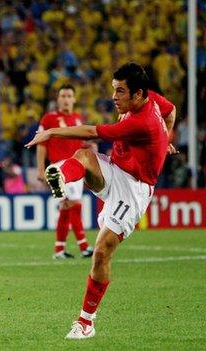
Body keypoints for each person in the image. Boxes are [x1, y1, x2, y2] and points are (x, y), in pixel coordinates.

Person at [25, 62, 177, 339]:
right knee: (84, 155)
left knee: (101, 252)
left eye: (120, 92)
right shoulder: (152, 99)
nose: (114, 97)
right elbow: (172, 110)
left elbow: (93, 131)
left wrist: (50, 132)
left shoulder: (140, 121)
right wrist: (165, 139)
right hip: (116, 169)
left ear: (138, 94)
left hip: (134, 189)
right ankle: (61, 173)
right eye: (113, 90)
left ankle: (86, 322)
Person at [36, 84, 93, 259]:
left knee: (67, 207)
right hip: (60, 167)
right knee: (74, 205)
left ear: (74, 99)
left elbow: (78, 143)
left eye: (69, 96)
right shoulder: (49, 118)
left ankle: (59, 250)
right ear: (58, 99)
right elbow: (41, 144)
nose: (66, 99)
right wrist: (40, 169)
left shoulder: (77, 118)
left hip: (76, 166)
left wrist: (89, 146)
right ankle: (83, 247)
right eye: (63, 96)